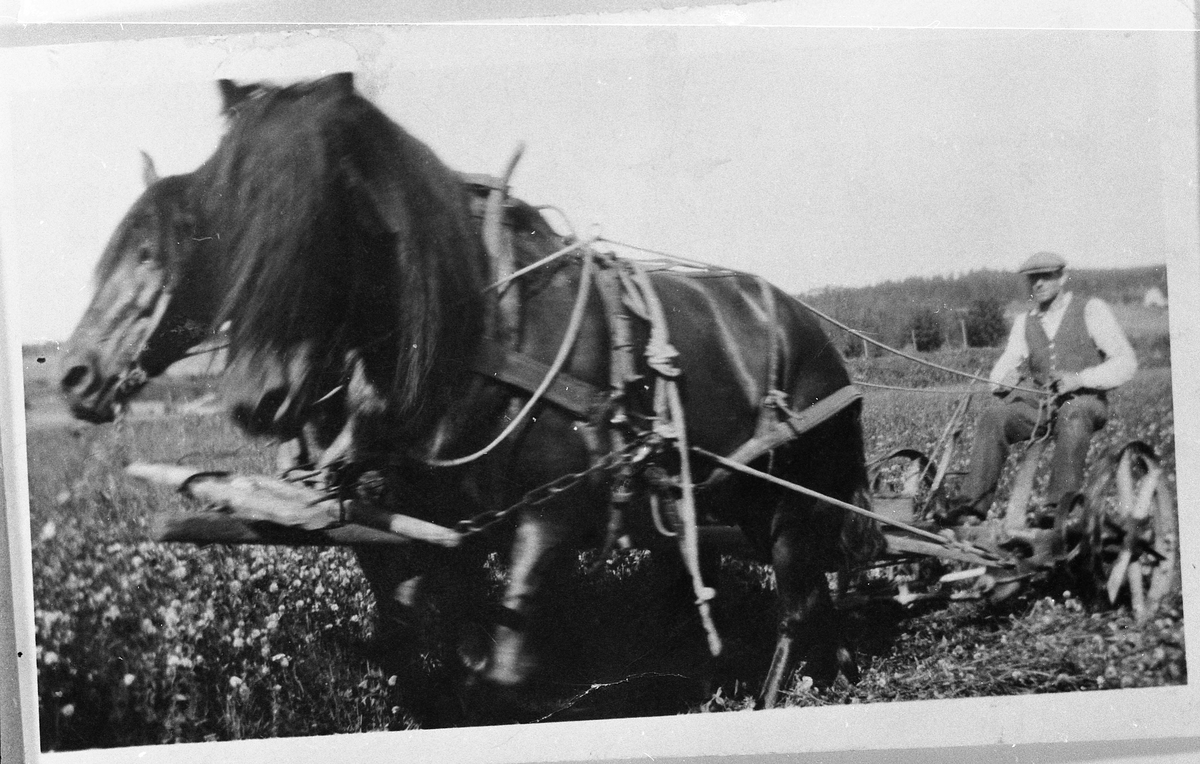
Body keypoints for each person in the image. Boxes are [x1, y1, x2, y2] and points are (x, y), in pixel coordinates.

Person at [940, 251, 1138, 526]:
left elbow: (1127, 363)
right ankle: (971, 509)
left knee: (1073, 412)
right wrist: (1002, 381)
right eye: (1033, 279)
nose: (1039, 284)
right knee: (993, 417)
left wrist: (1081, 378)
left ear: (1063, 277)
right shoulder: (1026, 321)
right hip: (1040, 408)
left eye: (1046, 276)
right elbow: (1002, 368)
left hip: (1085, 402)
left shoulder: (1091, 309)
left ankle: (1057, 509)